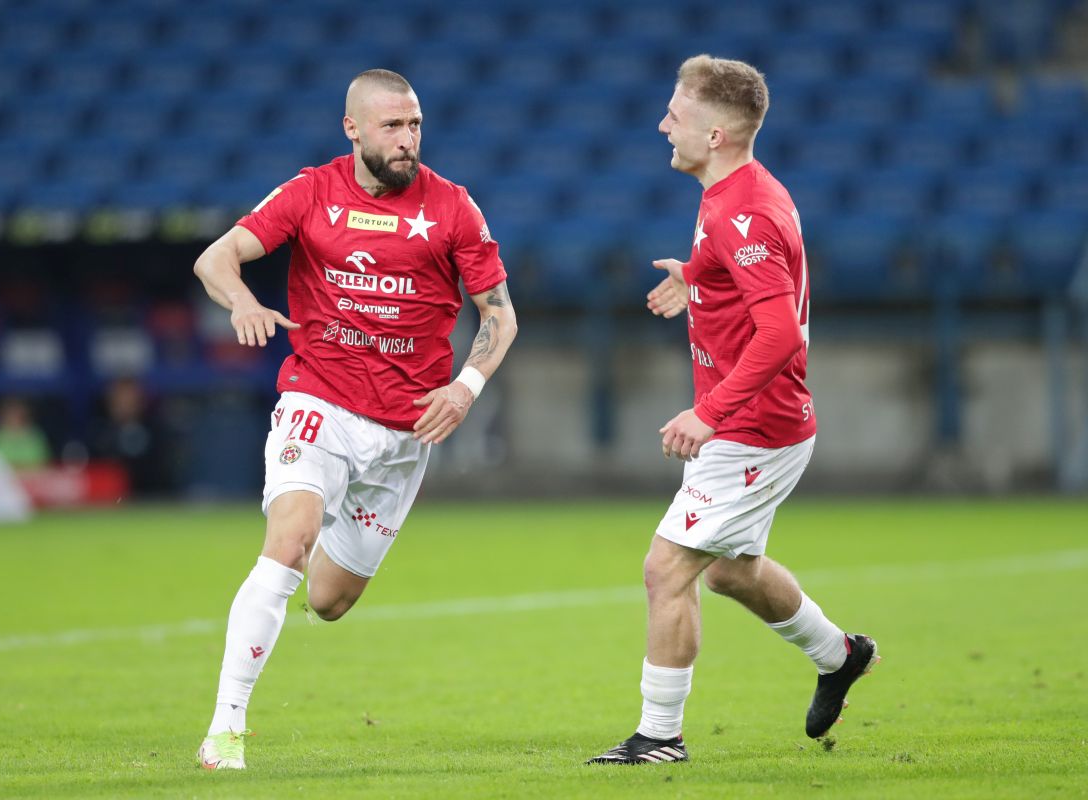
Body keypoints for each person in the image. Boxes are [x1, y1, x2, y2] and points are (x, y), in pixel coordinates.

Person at [191, 69, 517, 770]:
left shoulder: (454, 207)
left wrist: (465, 388)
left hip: (406, 430)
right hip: (319, 400)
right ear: (354, 128)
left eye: (415, 125)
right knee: (289, 542)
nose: (407, 140)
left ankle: (320, 532)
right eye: (393, 126)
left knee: (330, 600)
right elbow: (216, 257)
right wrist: (241, 301)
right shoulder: (311, 191)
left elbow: (499, 315)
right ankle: (225, 730)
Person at [587, 55, 878, 765]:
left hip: (754, 427)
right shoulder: (735, 195)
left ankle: (660, 737)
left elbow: (780, 334)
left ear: (715, 134)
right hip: (757, 423)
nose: (663, 125)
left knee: (666, 569)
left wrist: (709, 413)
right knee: (728, 571)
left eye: (676, 115)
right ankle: (839, 655)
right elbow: (759, 284)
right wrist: (699, 278)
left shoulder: (742, 212)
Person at [0, 396, 51, 470]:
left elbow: (45, 462)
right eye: (9, 412)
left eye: (17, 412)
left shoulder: (35, 435)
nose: (13, 416)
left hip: (32, 475)